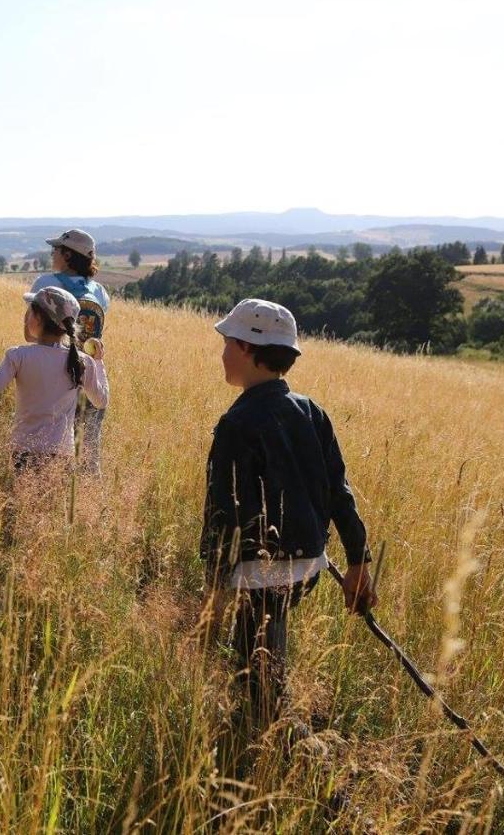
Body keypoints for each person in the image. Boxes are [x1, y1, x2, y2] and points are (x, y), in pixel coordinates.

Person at [199, 298, 376, 747]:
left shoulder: (236, 423)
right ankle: (268, 718)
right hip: (309, 567)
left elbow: (223, 515)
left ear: (245, 348)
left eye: (226, 344)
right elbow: (340, 491)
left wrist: (214, 590)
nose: (221, 353)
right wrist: (357, 561)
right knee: (265, 642)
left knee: (256, 680)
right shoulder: (312, 411)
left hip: (257, 572)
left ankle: (290, 747)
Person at [0, 286, 108, 473]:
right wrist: (98, 362)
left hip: (23, 452)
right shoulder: (82, 362)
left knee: (23, 501)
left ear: (36, 318)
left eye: (29, 310)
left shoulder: (18, 356)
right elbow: (101, 401)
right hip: (61, 455)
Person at [29, 229, 110, 471]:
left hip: (51, 371)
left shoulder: (45, 284)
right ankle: (88, 497)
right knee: (88, 448)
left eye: (55, 249)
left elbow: (30, 330)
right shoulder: (100, 292)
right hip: (88, 368)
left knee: (48, 445)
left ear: (67, 255)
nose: (52, 253)